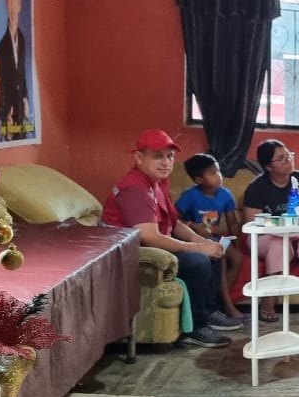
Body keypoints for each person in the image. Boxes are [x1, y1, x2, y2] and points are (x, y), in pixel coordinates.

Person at [102, 129, 239, 348]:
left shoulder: (156, 184)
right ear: (139, 158)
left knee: (214, 252)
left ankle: (209, 312)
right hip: (136, 256)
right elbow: (149, 237)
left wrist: (202, 242)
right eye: (158, 156)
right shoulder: (135, 189)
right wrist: (198, 248)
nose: (166, 162)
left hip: (155, 247)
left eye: (170, 156)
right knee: (198, 261)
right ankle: (196, 328)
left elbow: (174, 223)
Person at [242, 139, 299, 324]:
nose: (288, 161)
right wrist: (280, 227)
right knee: (279, 244)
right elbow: (253, 222)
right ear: (268, 166)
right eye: (281, 159)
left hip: (298, 233)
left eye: (289, 156)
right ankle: (268, 304)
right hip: (266, 236)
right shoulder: (257, 187)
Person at [175, 153, 245, 322]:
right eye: (212, 173)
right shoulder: (190, 196)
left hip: (215, 237)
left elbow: (232, 223)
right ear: (199, 180)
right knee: (221, 258)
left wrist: (237, 244)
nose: (219, 176)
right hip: (194, 238)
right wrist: (194, 226)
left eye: (218, 171)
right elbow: (174, 220)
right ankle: (226, 304)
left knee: (237, 258)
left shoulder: (225, 194)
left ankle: (220, 298)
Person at [0, 0, 29, 140]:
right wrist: (5, 115)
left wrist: (26, 99)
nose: (12, 0)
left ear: (20, 1)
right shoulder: (2, 45)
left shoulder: (22, 40)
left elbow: (22, 76)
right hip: (9, 116)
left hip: (22, 112)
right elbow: (1, 84)